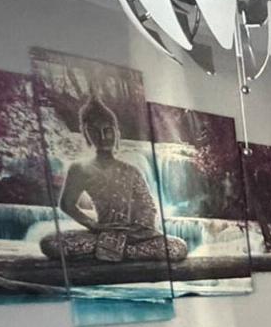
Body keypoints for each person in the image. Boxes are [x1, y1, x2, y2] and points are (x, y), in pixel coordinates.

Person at [40, 95, 188, 266]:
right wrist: (93, 226)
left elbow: (148, 207)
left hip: (136, 236)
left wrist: (137, 230)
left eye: (107, 130)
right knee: (51, 243)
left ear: (116, 132)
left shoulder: (131, 170)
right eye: (94, 131)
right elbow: (67, 204)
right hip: (103, 232)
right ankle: (120, 250)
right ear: (86, 134)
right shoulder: (79, 169)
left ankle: (116, 250)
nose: (103, 136)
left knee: (177, 247)